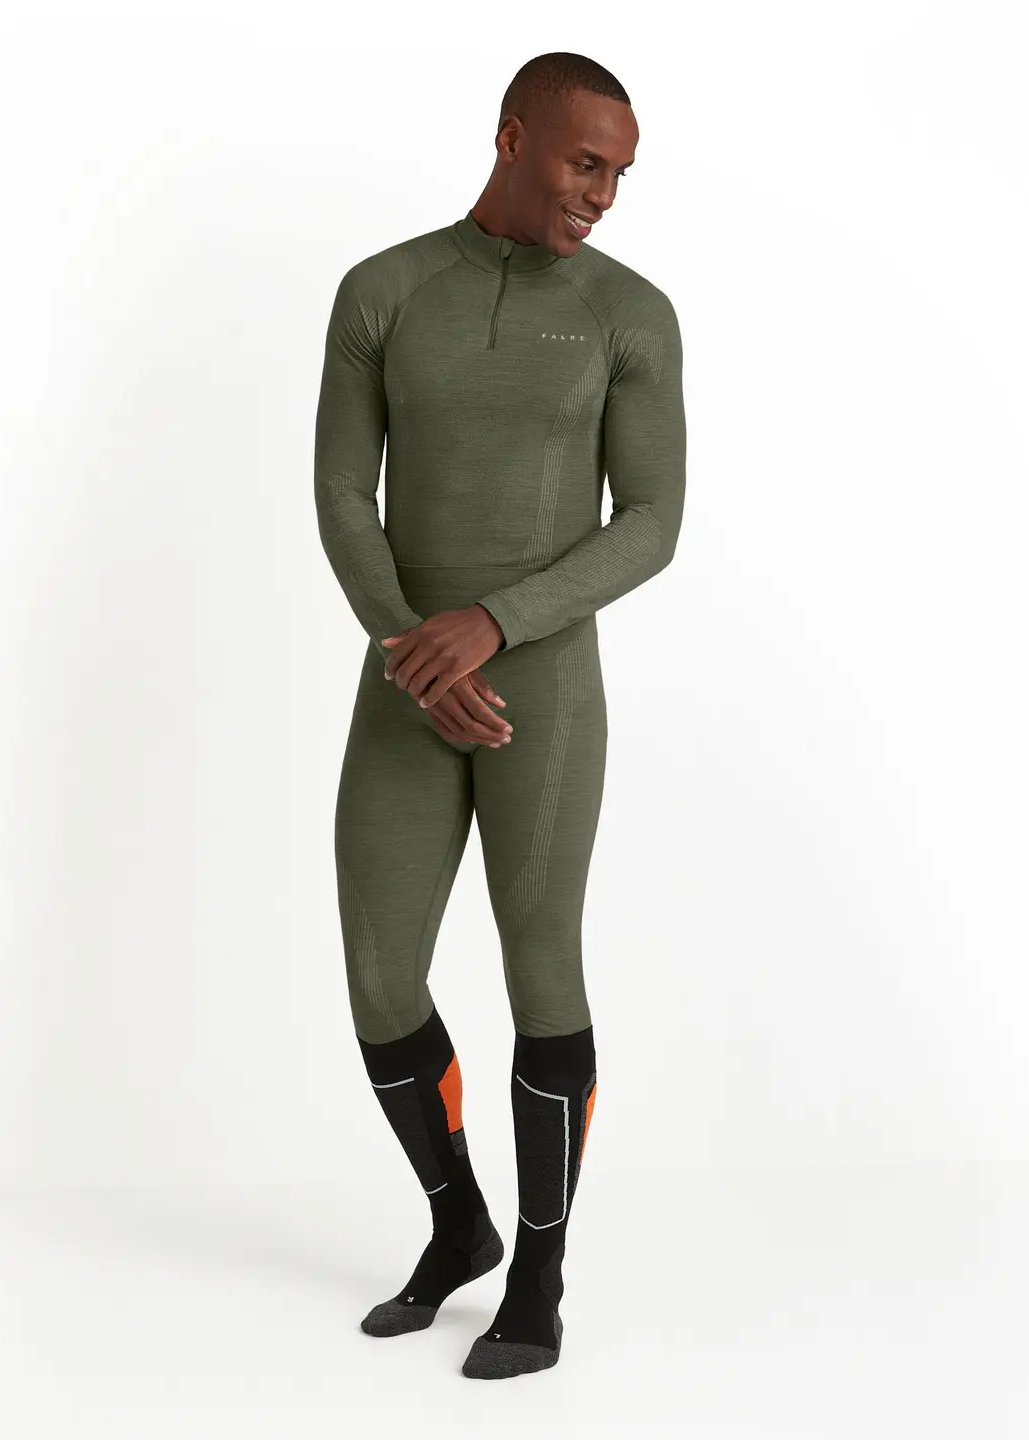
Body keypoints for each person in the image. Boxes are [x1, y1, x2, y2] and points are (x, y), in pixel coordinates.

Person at [313, 50, 687, 1380]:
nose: (604, 194)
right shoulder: (384, 291)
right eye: (586, 162)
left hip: (543, 693)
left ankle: (539, 1269)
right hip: (406, 683)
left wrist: (494, 623)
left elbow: (652, 521)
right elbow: (344, 494)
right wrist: (410, 644)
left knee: (541, 967)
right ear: (513, 136)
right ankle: (459, 1223)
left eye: (621, 173)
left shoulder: (631, 315)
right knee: (378, 976)